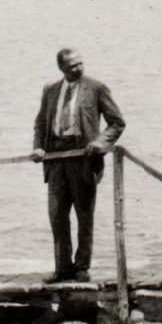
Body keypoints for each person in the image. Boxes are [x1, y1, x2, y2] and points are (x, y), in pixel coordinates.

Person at [30, 48, 125, 283]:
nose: (79, 68)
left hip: (83, 160)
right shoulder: (50, 91)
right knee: (57, 214)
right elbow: (41, 123)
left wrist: (100, 142)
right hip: (55, 161)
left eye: (81, 63)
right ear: (62, 68)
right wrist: (38, 147)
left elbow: (117, 123)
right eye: (73, 66)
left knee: (84, 214)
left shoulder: (96, 88)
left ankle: (82, 267)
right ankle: (63, 269)